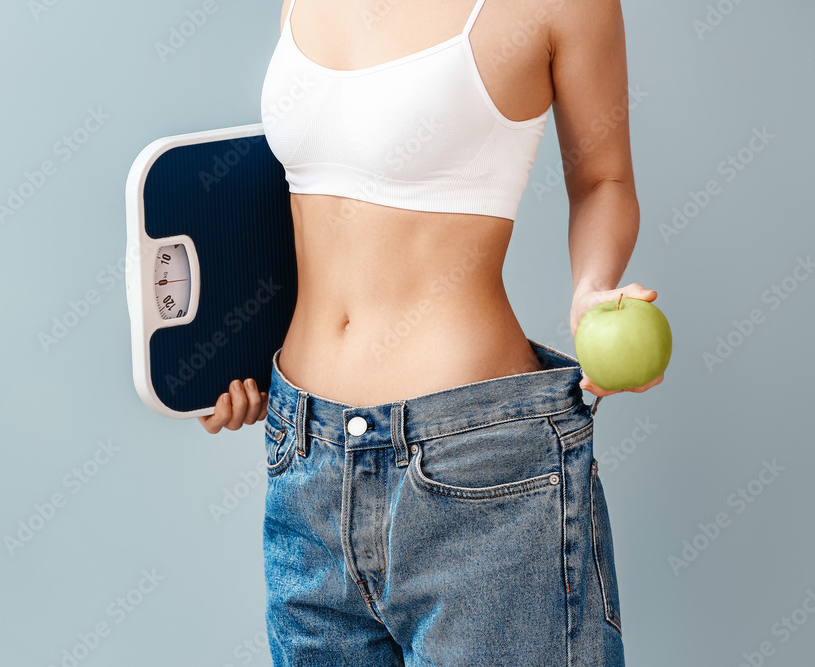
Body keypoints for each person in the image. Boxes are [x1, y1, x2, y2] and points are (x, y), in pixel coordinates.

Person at [199, 0, 662, 663]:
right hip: (306, 457)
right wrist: (236, 354)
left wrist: (592, 292)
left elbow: (603, 179)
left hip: (478, 464)